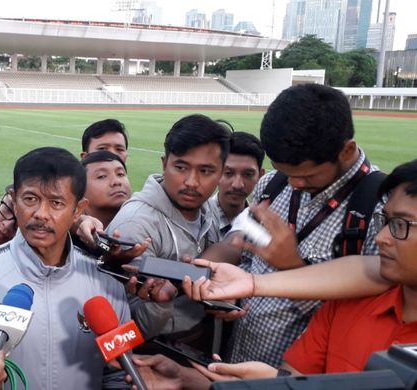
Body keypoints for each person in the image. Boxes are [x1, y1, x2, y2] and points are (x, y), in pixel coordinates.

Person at [179, 159, 417, 384]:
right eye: (384, 221)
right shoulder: (346, 305)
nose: (381, 237)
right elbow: (296, 377)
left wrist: (275, 384)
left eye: (401, 225)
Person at [202, 84, 385, 366]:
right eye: (285, 172)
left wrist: (291, 265)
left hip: (299, 377)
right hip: (238, 360)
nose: (294, 184)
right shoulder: (272, 184)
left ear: (347, 151)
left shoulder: (379, 210)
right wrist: (232, 300)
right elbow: (250, 263)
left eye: (307, 175)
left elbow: (363, 318)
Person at [0, 147, 130, 389]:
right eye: (30, 199)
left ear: (78, 211)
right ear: (14, 199)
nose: (41, 214)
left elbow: (118, 375)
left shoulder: (106, 283)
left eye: (56, 203)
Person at [106, 114, 230, 346]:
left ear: (221, 172)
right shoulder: (135, 225)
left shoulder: (208, 210)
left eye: (205, 171)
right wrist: (159, 305)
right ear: (164, 164)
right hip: (153, 358)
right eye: (181, 167)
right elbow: (119, 337)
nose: (192, 182)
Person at [206, 131, 265, 236]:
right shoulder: (197, 221)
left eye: (248, 174)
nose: (237, 185)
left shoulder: (264, 225)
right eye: (228, 173)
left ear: (260, 176)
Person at [81, 151, 132, 228]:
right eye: (102, 176)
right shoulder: (64, 235)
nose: (116, 182)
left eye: (120, 174)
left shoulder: (143, 228)